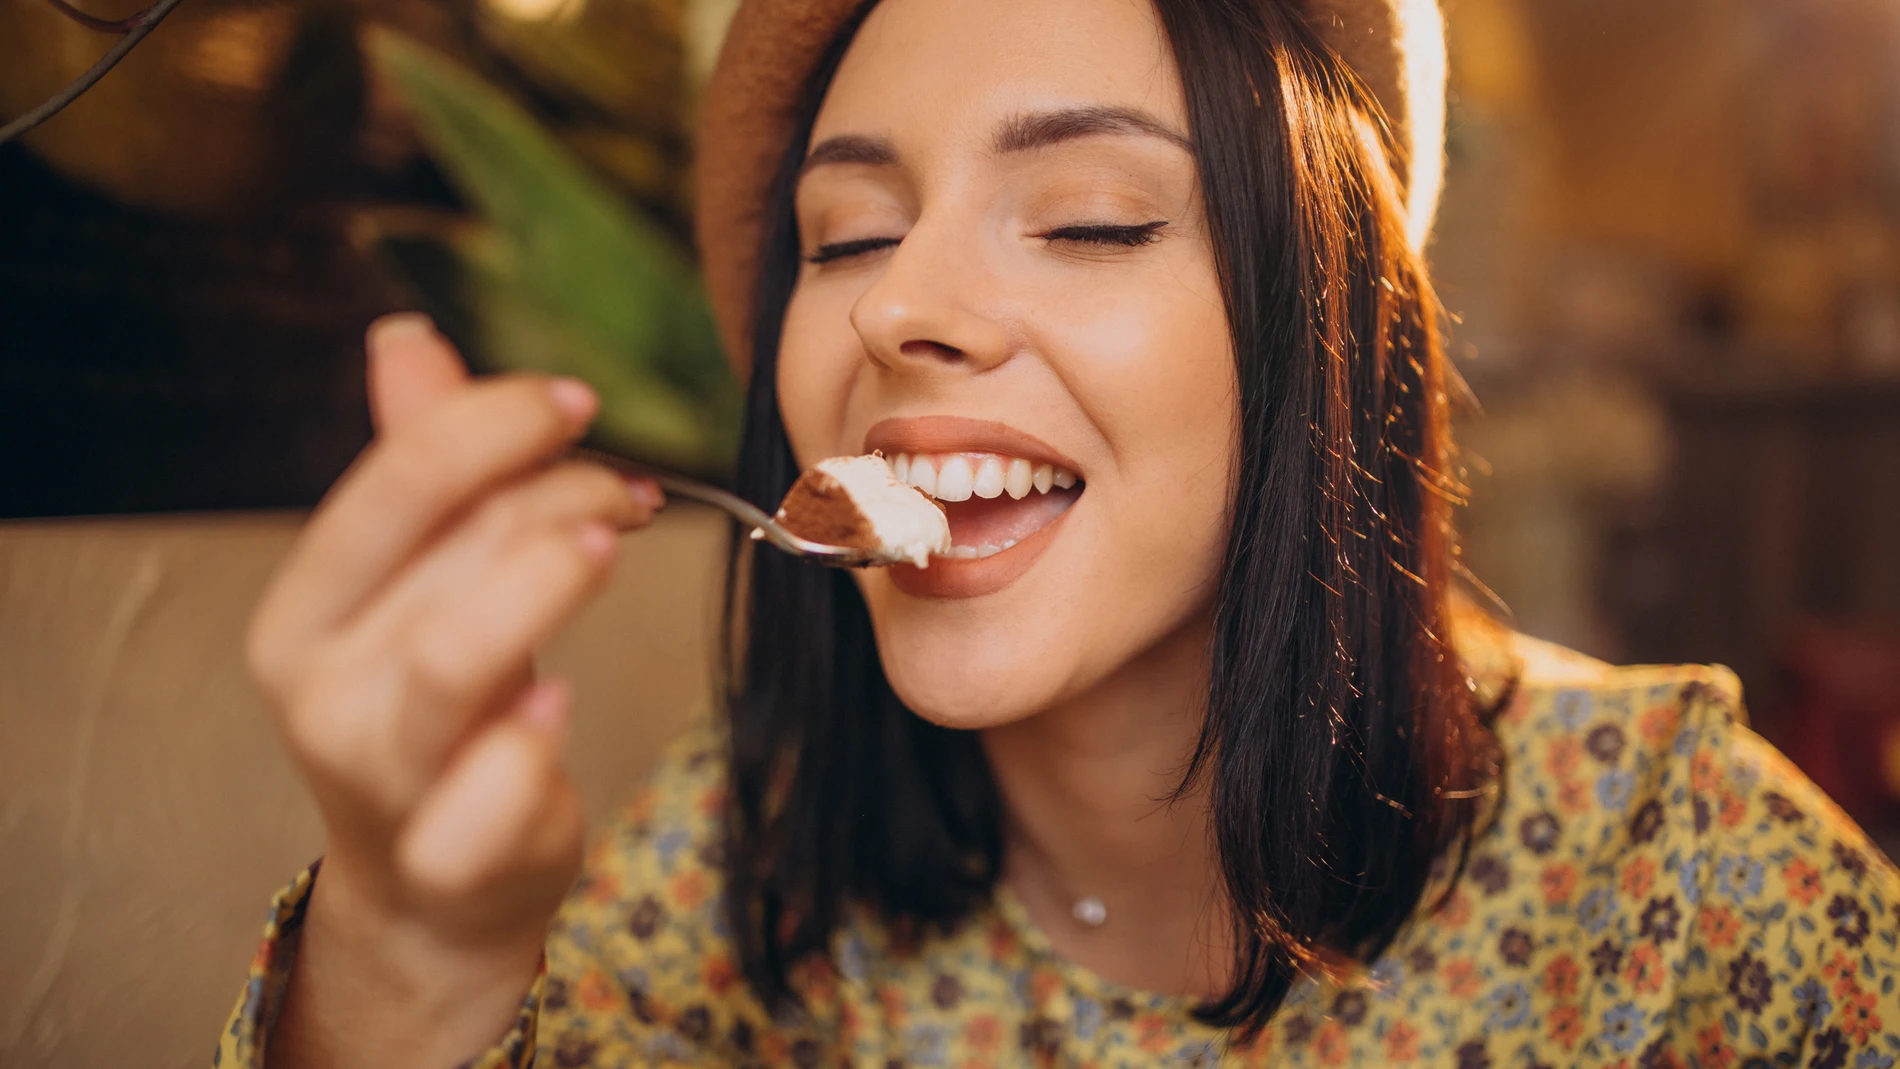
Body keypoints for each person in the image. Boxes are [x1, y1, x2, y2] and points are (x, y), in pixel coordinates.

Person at [217, 0, 1900, 1065]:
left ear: (1324, 329)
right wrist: (401, 964)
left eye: (1093, 219)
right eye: (850, 235)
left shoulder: (1684, 877)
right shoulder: (730, 881)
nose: (907, 310)